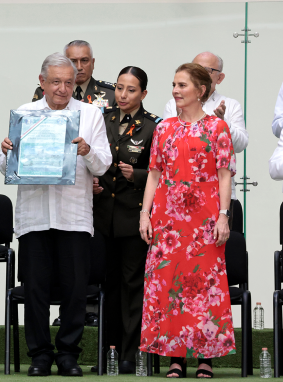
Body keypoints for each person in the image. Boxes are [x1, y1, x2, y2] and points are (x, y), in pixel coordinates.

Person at [0, 52, 111, 377]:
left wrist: (87, 151)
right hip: (34, 216)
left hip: (74, 217)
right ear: (42, 82)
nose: (62, 89)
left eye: (68, 82)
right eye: (56, 82)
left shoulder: (90, 115)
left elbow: (103, 164)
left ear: (76, 82)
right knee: (35, 289)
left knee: (75, 290)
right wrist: (8, 152)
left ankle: (68, 355)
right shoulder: (24, 114)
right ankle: (39, 355)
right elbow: (6, 169)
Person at [139, 63, 236, 378]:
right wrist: (145, 213)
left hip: (204, 217)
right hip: (167, 218)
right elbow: (154, 174)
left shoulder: (216, 127)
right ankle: (175, 357)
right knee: (169, 284)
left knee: (204, 285)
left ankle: (205, 358)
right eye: (174, 85)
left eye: (182, 85)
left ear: (201, 90)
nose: (176, 91)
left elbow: (224, 175)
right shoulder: (164, 127)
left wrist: (223, 216)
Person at [91, 66, 162, 374]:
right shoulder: (101, 119)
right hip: (102, 217)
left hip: (134, 219)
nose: (122, 95)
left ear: (143, 94)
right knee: (107, 287)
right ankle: (108, 354)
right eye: (119, 88)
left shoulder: (152, 126)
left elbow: (162, 172)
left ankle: (130, 355)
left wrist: (140, 175)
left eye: (130, 90)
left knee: (133, 287)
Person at [162, 52, 248, 222]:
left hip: (218, 195)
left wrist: (223, 125)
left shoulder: (230, 105)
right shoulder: (174, 104)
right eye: (193, 69)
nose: (198, 74)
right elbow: (166, 148)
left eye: (205, 70)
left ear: (220, 78)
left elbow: (240, 145)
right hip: (179, 193)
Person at [32, 40, 115, 114]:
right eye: (73, 61)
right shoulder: (45, 91)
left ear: (92, 63)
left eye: (84, 60)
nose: (79, 67)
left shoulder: (110, 93)